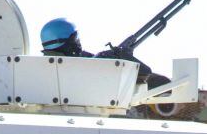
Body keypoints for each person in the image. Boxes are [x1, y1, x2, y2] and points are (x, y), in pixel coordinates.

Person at [39, 18, 169, 87]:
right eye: (75, 38)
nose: (78, 42)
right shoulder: (53, 68)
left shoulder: (72, 60)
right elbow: (146, 72)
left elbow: (90, 61)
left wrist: (122, 56)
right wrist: (103, 59)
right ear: (62, 41)